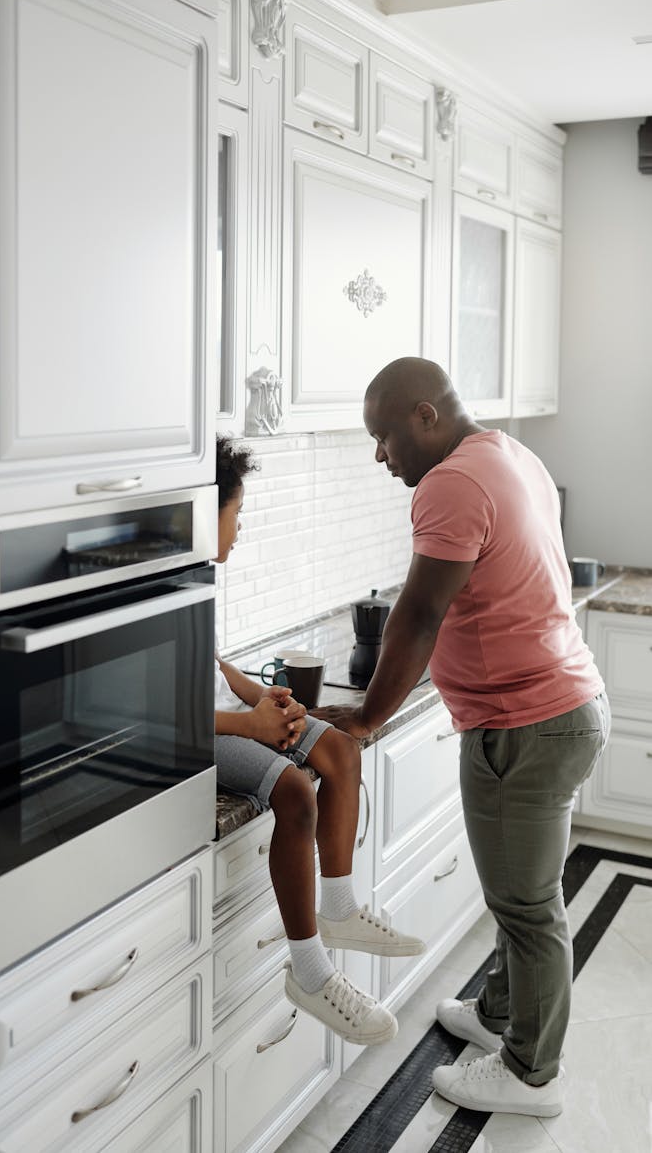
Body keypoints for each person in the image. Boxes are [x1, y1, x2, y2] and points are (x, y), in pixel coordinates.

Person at [312, 358, 610, 1116]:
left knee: (529, 904)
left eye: (382, 437)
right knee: (517, 891)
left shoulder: (450, 482)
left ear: (424, 416)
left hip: (526, 723)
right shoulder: (510, 454)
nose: (381, 456)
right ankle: (502, 1013)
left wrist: (368, 718)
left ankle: (529, 1072)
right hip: (562, 706)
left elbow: (417, 613)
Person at [213, 434, 425, 1046]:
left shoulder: (195, 576)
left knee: (339, 748)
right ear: (209, 513)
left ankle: (339, 906)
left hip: (231, 713)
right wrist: (249, 724)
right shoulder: (171, 582)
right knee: (295, 793)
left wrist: (265, 698)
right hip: (202, 736)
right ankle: (310, 973)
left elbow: (214, 666)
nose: (241, 527)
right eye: (237, 514)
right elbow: (170, 712)